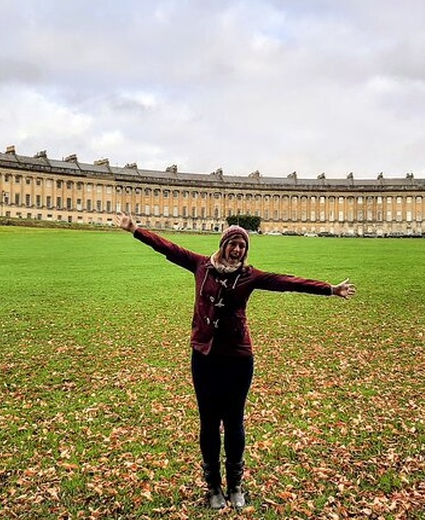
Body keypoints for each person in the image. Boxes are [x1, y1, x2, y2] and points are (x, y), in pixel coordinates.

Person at [115, 213, 356, 509]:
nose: (238, 250)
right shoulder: (201, 265)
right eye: (234, 244)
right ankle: (213, 487)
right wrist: (136, 230)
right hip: (204, 356)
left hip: (238, 358)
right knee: (208, 422)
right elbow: (169, 248)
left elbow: (287, 282)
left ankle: (235, 485)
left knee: (234, 422)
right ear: (224, 245)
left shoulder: (250, 276)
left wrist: (330, 289)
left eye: (243, 246)